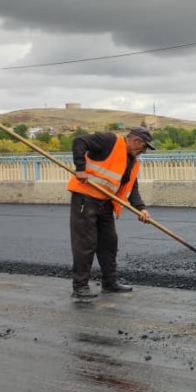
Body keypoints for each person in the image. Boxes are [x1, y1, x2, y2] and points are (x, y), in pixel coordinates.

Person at [67, 126, 155, 301]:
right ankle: (80, 286)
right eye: (143, 147)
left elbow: (131, 189)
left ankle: (109, 283)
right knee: (86, 243)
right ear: (136, 141)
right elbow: (79, 142)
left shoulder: (132, 162)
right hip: (86, 198)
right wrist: (80, 167)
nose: (143, 151)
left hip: (105, 203)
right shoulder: (109, 140)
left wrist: (141, 208)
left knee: (109, 242)